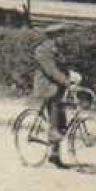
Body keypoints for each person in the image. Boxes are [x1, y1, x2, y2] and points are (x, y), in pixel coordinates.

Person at [31, 24, 80, 167]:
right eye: (60, 35)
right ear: (52, 37)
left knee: (62, 121)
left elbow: (63, 67)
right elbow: (51, 70)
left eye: (63, 35)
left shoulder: (59, 50)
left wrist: (72, 75)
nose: (63, 38)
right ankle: (52, 132)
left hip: (59, 85)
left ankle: (55, 155)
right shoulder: (41, 50)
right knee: (54, 105)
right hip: (46, 86)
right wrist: (66, 82)